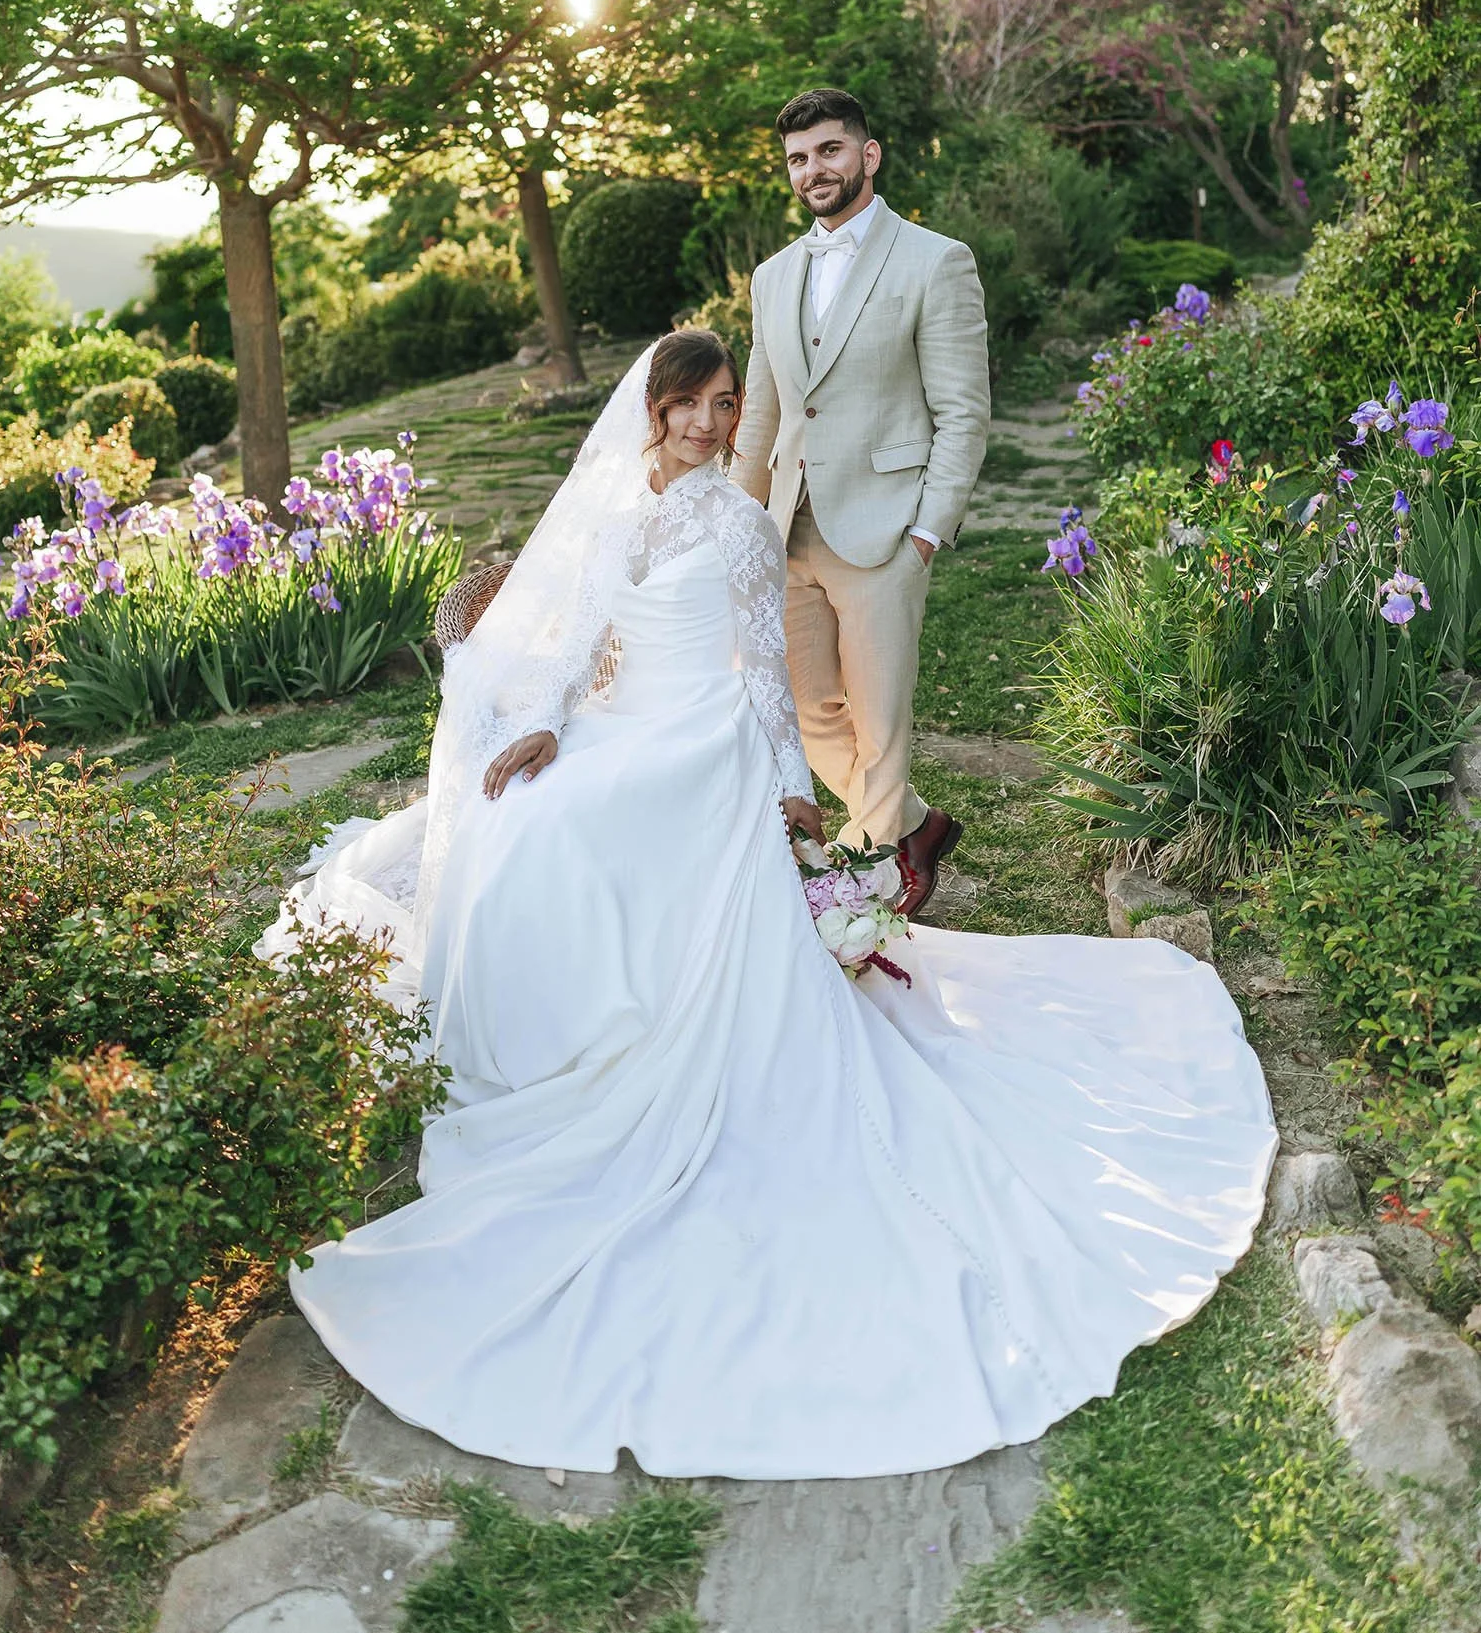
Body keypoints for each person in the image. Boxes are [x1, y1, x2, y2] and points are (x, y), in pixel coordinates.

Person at [258, 327, 1275, 1482]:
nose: (703, 423)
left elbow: (760, 669)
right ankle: (538, 1051)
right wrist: (546, 716)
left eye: (724, 404)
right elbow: (583, 634)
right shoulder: (616, 506)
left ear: (741, 415)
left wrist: (794, 790)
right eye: (686, 403)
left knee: (599, 825)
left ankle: (638, 1044)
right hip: (613, 723)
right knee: (529, 818)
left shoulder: (738, 521)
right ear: (652, 408)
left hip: (703, 741)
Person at [734, 88, 990, 916]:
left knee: (881, 721)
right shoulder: (772, 278)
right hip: (786, 529)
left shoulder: (935, 260)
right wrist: (741, 529)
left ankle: (876, 893)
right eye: (800, 159)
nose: (815, 170)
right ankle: (913, 824)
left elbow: (963, 412)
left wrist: (926, 531)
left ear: (868, 156)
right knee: (810, 712)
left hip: (886, 530)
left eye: (830, 151)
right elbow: (761, 415)